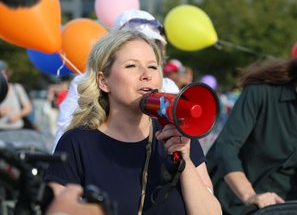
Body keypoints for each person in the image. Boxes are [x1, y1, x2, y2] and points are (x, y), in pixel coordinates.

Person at [45, 30, 222, 215]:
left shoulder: (178, 136)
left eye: (153, 67)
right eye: (131, 66)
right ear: (103, 81)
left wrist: (184, 160)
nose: (146, 75)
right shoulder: (77, 143)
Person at [52, 9, 179, 151]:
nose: (145, 48)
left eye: (153, 43)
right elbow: (63, 138)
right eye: (131, 64)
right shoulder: (83, 84)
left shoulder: (169, 86)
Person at [206, 56, 297, 215]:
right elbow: (226, 147)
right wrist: (250, 195)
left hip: (287, 206)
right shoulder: (261, 91)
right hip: (235, 203)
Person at [0, 60, 33, 131]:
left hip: (17, 129)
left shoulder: (17, 88)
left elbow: (28, 108)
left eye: (3, 74)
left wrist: (17, 115)